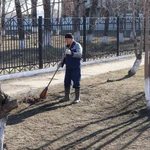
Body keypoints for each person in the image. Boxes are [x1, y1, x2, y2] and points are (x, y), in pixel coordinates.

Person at [58, 33, 83, 104]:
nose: (66, 41)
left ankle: (77, 98)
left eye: (67, 39)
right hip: (68, 67)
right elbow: (64, 57)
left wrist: (71, 53)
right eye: (65, 39)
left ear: (71, 39)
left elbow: (79, 54)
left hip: (75, 67)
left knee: (76, 82)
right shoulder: (66, 47)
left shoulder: (77, 45)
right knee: (67, 82)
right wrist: (61, 63)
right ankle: (66, 97)